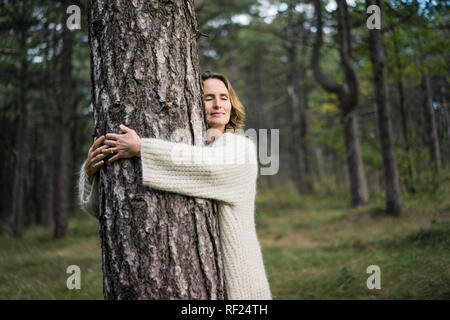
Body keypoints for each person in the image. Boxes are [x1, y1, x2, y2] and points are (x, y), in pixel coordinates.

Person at [78, 71, 272, 300]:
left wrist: (143, 149)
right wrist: (90, 172)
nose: (218, 104)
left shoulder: (240, 147)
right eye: (208, 98)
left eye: (224, 97)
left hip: (241, 283)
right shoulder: (189, 146)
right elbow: (100, 209)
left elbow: (209, 167)